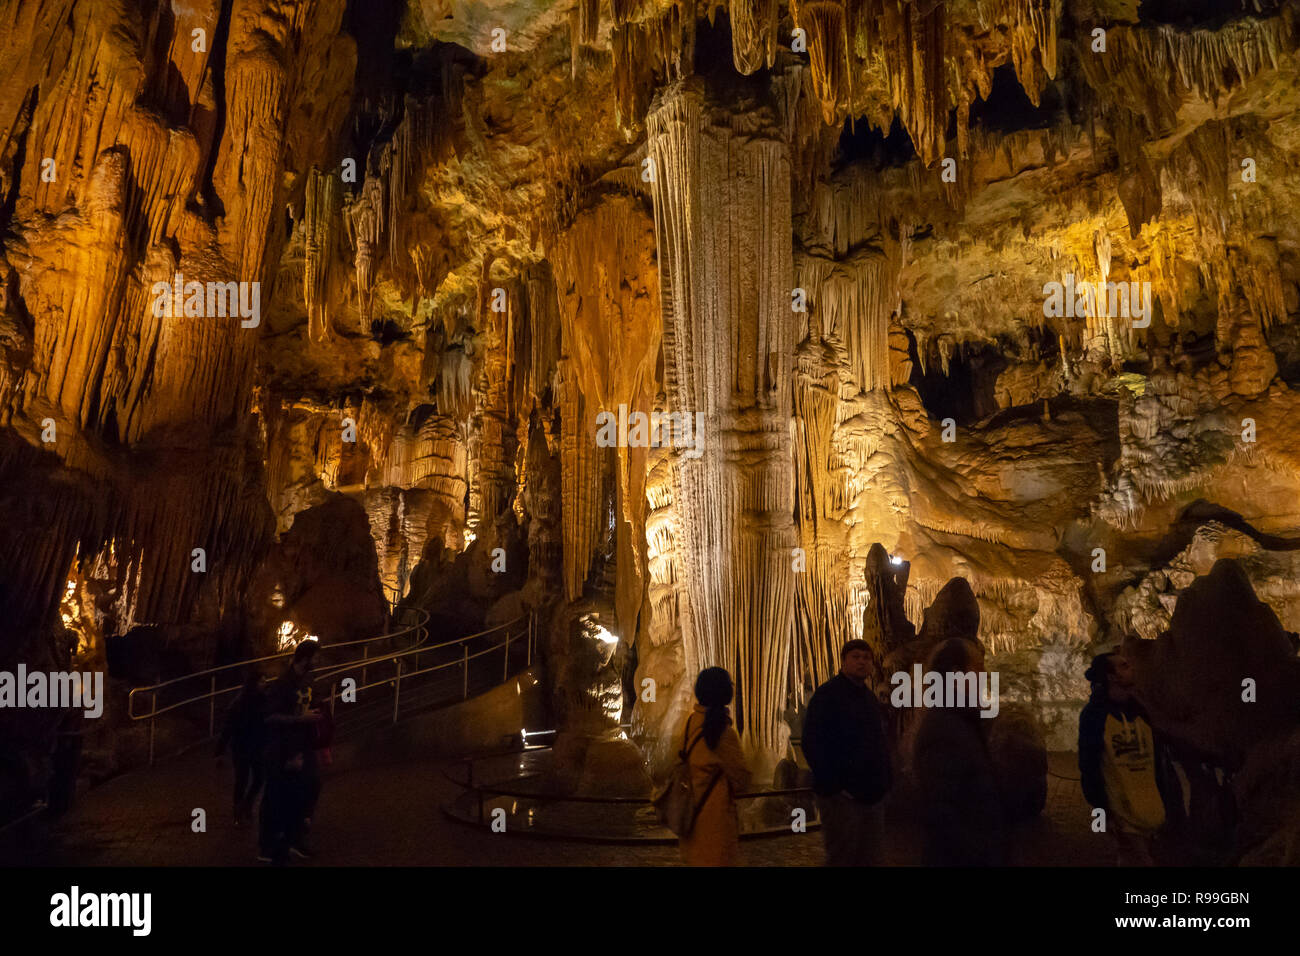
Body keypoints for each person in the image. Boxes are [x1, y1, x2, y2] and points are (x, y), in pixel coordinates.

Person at [1078, 650, 1183, 866]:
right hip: (1122, 809)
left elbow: (1156, 760)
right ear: (1111, 677)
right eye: (1124, 666)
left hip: (1151, 806)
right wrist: (1100, 807)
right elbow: (1088, 764)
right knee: (1143, 860)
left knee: (1127, 860)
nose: (1131, 668)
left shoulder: (1141, 713)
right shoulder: (1095, 716)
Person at [913, 638, 1005, 865]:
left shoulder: (960, 721)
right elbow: (942, 814)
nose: (984, 675)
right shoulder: (945, 729)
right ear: (956, 676)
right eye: (977, 668)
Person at [801, 639, 892, 866]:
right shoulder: (827, 696)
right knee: (844, 856)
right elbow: (812, 743)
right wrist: (837, 787)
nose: (862, 662)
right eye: (856, 657)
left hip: (872, 796)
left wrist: (884, 782)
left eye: (866, 658)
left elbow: (879, 743)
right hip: (841, 798)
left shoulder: (869, 699)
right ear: (843, 662)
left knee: (870, 856)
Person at [677, 667, 751, 866]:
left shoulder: (690, 723)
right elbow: (741, 778)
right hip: (716, 824)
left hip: (691, 819)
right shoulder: (723, 732)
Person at [259, 640, 322, 864]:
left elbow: (303, 705)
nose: (317, 662)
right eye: (315, 657)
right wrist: (300, 719)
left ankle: (294, 838)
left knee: (307, 787)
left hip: (301, 742)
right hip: (282, 746)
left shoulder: (306, 680)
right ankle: (269, 845)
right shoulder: (282, 684)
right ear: (305, 658)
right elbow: (269, 717)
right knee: (276, 795)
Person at [214, 669, 267, 825]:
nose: (265, 684)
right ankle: (238, 813)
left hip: (257, 746)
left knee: (259, 778)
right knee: (242, 780)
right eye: (261, 681)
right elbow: (227, 728)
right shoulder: (239, 703)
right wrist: (220, 750)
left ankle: (247, 803)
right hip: (242, 747)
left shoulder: (264, 700)